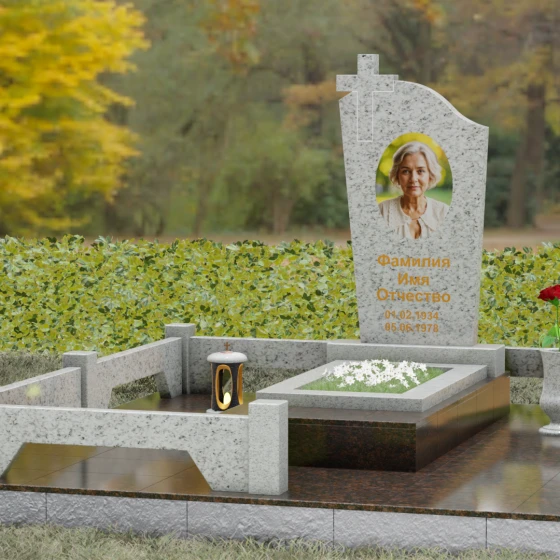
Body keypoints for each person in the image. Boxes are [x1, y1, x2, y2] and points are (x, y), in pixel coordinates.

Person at [378, 141, 449, 240]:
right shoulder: (382, 211)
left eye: (420, 171)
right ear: (397, 176)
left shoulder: (444, 212)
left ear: (430, 175)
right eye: (406, 171)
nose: (413, 179)